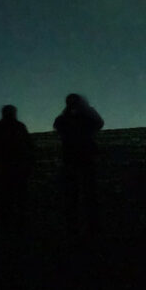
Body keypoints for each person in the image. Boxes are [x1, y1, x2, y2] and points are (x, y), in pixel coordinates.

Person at [54, 93, 103, 235]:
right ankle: (90, 224)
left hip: (72, 158)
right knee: (87, 192)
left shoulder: (65, 118)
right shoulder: (83, 117)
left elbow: (58, 126)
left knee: (75, 193)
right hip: (84, 157)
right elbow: (99, 123)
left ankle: (75, 225)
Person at [0, 104, 34, 228]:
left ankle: (8, 223)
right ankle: (19, 222)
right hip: (16, 167)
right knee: (18, 196)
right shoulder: (19, 127)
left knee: (7, 197)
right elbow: (29, 146)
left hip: (6, 168)